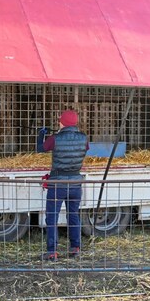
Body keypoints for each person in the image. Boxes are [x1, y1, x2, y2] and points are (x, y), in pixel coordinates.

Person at [37, 110, 89, 261]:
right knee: (73, 215)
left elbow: (40, 149)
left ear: (62, 122)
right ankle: (75, 248)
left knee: (52, 217)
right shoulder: (83, 138)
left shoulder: (55, 138)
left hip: (57, 184)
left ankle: (52, 251)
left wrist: (41, 135)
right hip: (75, 183)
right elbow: (84, 149)